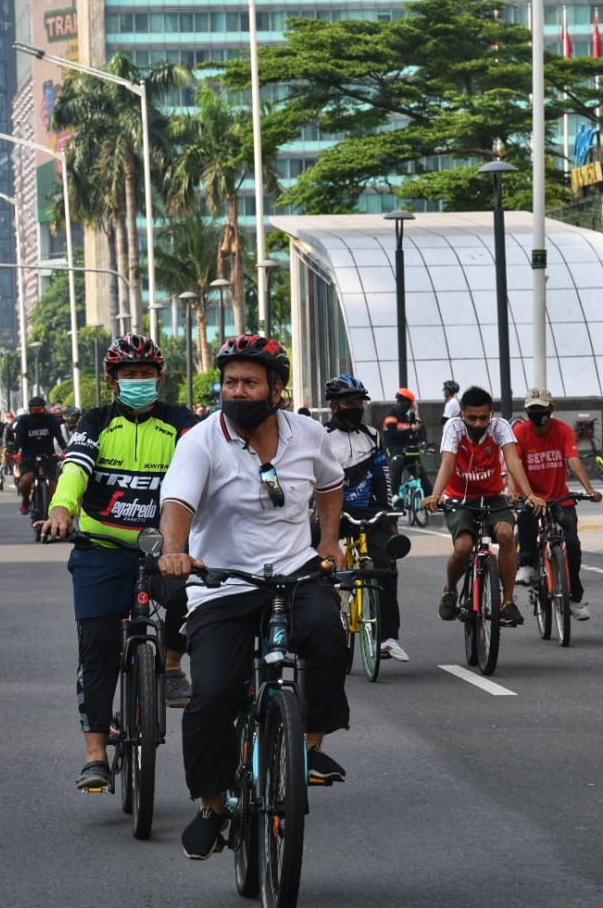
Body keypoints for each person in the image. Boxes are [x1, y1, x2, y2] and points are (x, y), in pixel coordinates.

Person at [156, 334, 349, 861]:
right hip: (224, 581)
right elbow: (177, 500)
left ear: (277, 390)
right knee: (214, 691)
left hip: (294, 572)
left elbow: (331, 485)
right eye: (229, 382)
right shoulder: (200, 441)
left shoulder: (309, 434)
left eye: (249, 382)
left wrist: (328, 540)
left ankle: (308, 747)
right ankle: (213, 804)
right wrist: (176, 550)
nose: (237, 391)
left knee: (329, 637)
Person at [38, 334, 199, 792]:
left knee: (196, 597)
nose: (139, 381)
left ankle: (169, 664)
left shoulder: (180, 423)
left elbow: (204, 466)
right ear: (113, 382)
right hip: (101, 549)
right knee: (97, 644)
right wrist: (61, 509)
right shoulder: (96, 422)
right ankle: (95, 754)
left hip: (164, 550)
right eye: (129, 375)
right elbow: (76, 467)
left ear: (159, 378)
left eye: (146, 374)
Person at [426, 385, 538, 628]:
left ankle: (507, 602)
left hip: (492, 496)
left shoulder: (500, 427)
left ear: (491, 415)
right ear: (462, 415)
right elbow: (447, 462)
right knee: (463, 547)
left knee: (507, 535)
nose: (478, 423)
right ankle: (451, 590)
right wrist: (436, 495)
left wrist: (529, 494)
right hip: (460, 498)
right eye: (472, 418)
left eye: (483, 418)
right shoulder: (453, 428)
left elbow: (513, 460)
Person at [323, 374, 408, 661]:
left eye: (359, 401)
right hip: (332, 510)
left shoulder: (373, 435)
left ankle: (387, 638)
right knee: (316, 563)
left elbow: (383, 477)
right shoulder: (321, 438)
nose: (356, 406)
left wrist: (388, 515)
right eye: (349, 402)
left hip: (368, 510)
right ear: (334, 406)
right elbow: (314, 479)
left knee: (385, 564)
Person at [511, 390, 603, 621]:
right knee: (527, 521)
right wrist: (515, 492)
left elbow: (573, 460)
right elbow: (515, 465)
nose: (537, 414)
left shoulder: (562, 429)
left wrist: (590, 489)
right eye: (532, 410)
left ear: (551, 409)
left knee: (572, 545)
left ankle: (574, 598)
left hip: (559, 497)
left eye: (541, 409)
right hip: (532, 496)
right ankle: (528, 564)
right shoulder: (520, 433)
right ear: (527, 412)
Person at [12, 396, 68, 515]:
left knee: (53, 484)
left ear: (44, 409)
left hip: (48, 456)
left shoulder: (51, 420)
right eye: (34, 410)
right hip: (28, 457)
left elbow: (59, 437)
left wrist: (65, 450)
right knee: (26, 480)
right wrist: (15, 452)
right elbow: (19, 439)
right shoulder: (23, 421)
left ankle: (52, 507)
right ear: (30, 410)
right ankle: (26, 500)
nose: (37, 413)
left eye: (40, 410)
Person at [382, 387, 425, 502]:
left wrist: (416, 413)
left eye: (403, 402)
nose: (400, 404)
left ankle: (430, 499)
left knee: (420, 472)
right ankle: (393, 497)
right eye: (399, 401)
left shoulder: (408, 417)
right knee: (397, 463)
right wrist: (411, 429)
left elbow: (420, 431)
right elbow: (393, 434)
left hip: (408, 451)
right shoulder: (391, 416)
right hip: (393, 449)